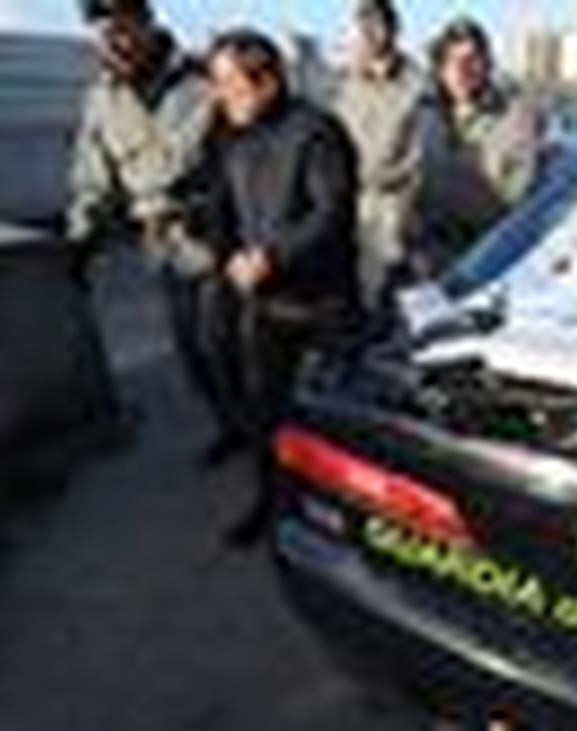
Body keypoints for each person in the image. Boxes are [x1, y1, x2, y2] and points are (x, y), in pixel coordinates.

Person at [200, 29, 360, 546]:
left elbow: (331, 212)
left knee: (333, 420)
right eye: (216, 83)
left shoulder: (317, 131)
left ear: (266, 81)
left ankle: (342, 516)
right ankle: (271, 503)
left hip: (323, 304)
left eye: (230, 83)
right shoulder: (231, 133)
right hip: (265, 307)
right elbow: (222, 207)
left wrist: (272, 255)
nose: (220, 95)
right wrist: (225, 256)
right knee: (265, 415)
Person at [68, 0, 233, 462]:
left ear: (146, 23)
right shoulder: (101, 100)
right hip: (164, 243)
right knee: (192, 351)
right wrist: (82, 238)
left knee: (229, 343)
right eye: (104, 33)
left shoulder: (203, 79)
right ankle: (233, 424)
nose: (113, 42)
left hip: (223, 234)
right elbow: (93, 177)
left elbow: (253, 149)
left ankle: (270, 436)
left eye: (122, 29)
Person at [414, 17, 542, 277]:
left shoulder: (516, 117)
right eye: (452, 61)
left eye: (472, 59)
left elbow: (516, 202)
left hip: (489, 262)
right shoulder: (424, 115)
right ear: (440, 68)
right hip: (427, 258)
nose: (461, 70)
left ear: (487, 65)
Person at [331, 0, 424, 309]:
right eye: (363, 27)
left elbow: (422, 156)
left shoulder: (417, 86)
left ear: (394, 31)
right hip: (349, 207)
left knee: (390, 298)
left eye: (377, 25)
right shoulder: (343, 84)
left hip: (396, 209)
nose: (370, 34)